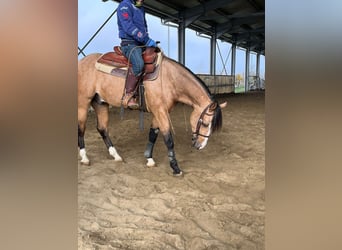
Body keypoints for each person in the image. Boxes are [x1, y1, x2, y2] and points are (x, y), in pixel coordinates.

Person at [117, 0, 157, 109]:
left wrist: (147, 38)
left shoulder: (141, 8)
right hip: (129, 44)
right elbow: (128, 26)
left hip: (141, 43)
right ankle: (128, 95)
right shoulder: (124, 5)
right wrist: (145, 39)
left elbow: (144, 26)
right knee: (139, 64)